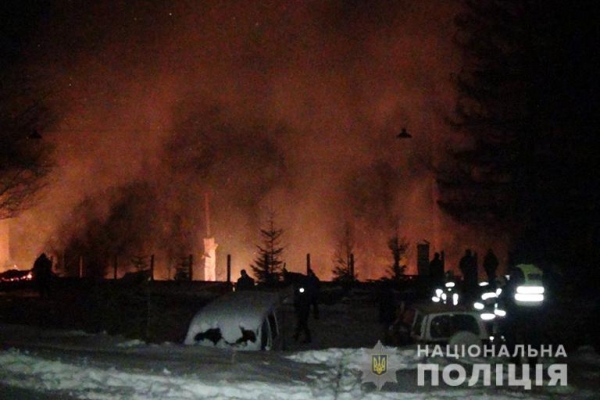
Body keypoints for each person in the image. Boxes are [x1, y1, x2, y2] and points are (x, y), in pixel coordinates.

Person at [293, 276, 312, 343]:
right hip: (301, 309)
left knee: (303, 324)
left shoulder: (303, 291)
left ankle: (306, 337)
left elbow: (303, 300)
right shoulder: (298, 290)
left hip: (303, 309)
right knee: (301, 323)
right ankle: (297, 335)